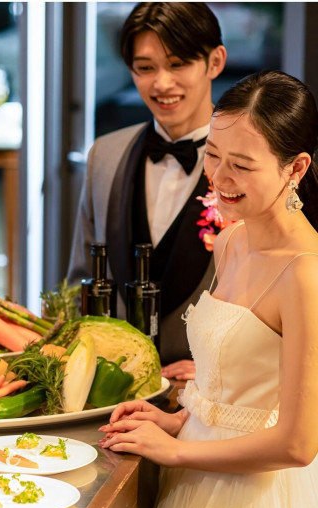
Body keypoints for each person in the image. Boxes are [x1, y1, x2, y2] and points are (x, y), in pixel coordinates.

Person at [99, 70, 318, 508]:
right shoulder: (230, 242)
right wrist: (179, 421)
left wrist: (176, 451)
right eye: (213, 155)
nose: (218, 177)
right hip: (195, 484)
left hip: (256, 505)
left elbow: (297, 444)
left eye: (242, 164)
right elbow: (233, 386)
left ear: (296, 168)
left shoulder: (306, 274)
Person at [67, 2, 227, 380]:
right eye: (145, 68)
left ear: (215, 62)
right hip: (114, 384)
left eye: (178, 64)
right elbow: (79, 280)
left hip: (212, 389)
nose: (162, 84)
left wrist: (228, 368)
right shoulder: (105, 155)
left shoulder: (252, 162)